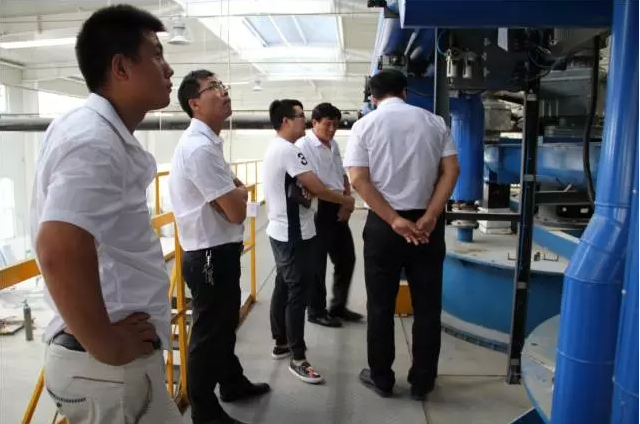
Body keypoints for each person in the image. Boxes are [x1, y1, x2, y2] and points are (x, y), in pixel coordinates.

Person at [30, 5, 183, 423]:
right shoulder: (94, 142)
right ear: (120, 67)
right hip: (108, 370)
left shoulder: (93, 131)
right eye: (156, 54)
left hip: (107, 368)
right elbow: (58, 247)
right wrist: (107, 345)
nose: (168, 68)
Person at [343, 70, 460, 400]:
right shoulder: (434, 122)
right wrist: (431, 215)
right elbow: (452, 170)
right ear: (405, 92)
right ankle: (423, 381)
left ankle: (381, 378)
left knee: (381, 305)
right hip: (426, 226)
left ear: (373, 97)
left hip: (384, 225)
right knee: (427, 306)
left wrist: (394, 219)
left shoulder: (365, 126)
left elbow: (358, 179)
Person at [169, 70, 270, 424]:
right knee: (209, 333)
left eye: (223, 85)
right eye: (213, 87)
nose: (224, 91)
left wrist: (234, 192)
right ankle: (204, 411)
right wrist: (237, 193)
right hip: (209, 255)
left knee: (224, 325)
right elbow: (237, 208)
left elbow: (233, 192)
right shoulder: (199, 149)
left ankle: (231, 382)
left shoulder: (209, 143)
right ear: (194, 103)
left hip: (218, 250)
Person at [263, 99, 355, 384]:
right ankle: (298, 358)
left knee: (284, 285)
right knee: (297, 293)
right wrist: (347, 200)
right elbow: (316, 187)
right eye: (300, 116)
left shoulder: (277, 148)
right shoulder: (290, 150)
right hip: (293, 234)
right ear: (286, 121)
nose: (304, 120)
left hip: (282, 230)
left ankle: (281, 342)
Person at [295, 103, 363, 327]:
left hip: (337, 206)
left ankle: (338, 306)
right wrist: (344, 201)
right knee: (317, 264)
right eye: (328, 124)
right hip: (318, 208)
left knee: (346, 258)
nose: (332, 129)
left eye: (336, 125)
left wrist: (346, 201)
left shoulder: (332, 145)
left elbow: (341, 175)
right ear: (314, 123)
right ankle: (316, 311)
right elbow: (312, 185)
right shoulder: (303, 146)